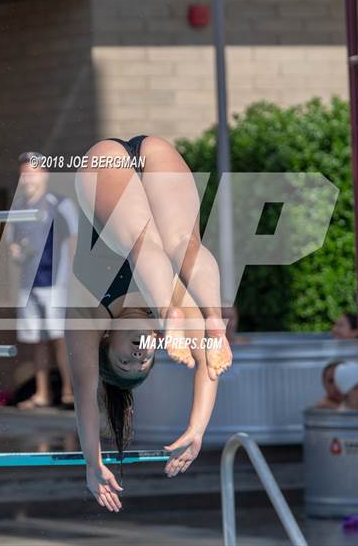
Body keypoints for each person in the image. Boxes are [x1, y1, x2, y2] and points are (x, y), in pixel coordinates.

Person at [66, 135, 233, 513]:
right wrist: (197, 428)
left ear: (106, 341)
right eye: (145, 361)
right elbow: (211, 362)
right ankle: (213, 318)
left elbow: (85, 393)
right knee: (184, 245)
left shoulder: (89, 315)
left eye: (126, 360)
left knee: (142, 242)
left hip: (103, 163)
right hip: (153, 150)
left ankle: (174, 314)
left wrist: (92, 463)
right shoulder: (165, 319)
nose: (141, 353)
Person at [7, 152, 78, 409]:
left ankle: (70, 393)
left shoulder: (60, 204)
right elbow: (12, 244)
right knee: (36, 341)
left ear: (44, 174)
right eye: (24, 175)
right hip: (29, 284)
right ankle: (42, 393)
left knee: (61, 338)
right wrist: (16, 251)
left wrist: (74, 281)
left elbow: (74, 241)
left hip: (56, 282)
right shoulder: (19, 208)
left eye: (33, 174)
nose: (28, 180)